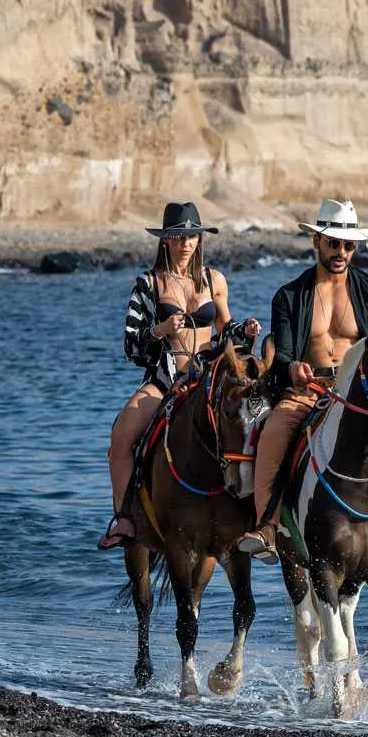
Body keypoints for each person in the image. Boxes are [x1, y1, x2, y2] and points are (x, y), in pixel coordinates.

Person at [237, 199, 368, 580]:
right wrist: (292, 367)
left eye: (348, 245)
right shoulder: (289, 296)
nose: (341, 252)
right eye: (333, 243)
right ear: (317, 243)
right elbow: (283, 355)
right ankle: (267, 526)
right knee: (273, 435)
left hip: (361, 395)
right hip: (308, 390)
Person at [98, 201, 260, 550]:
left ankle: (262, 518)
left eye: (193, 236)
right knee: (120, 439)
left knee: (256, 420)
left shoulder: (214, 280)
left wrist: (245, 331)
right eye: (179, 236)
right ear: (166, 241)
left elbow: (225, 330)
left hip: (207, 377)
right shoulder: (149, 284)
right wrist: (160, 329)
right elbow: (132, 347)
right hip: (165, 378)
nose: (187, 243)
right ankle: (125, 518)